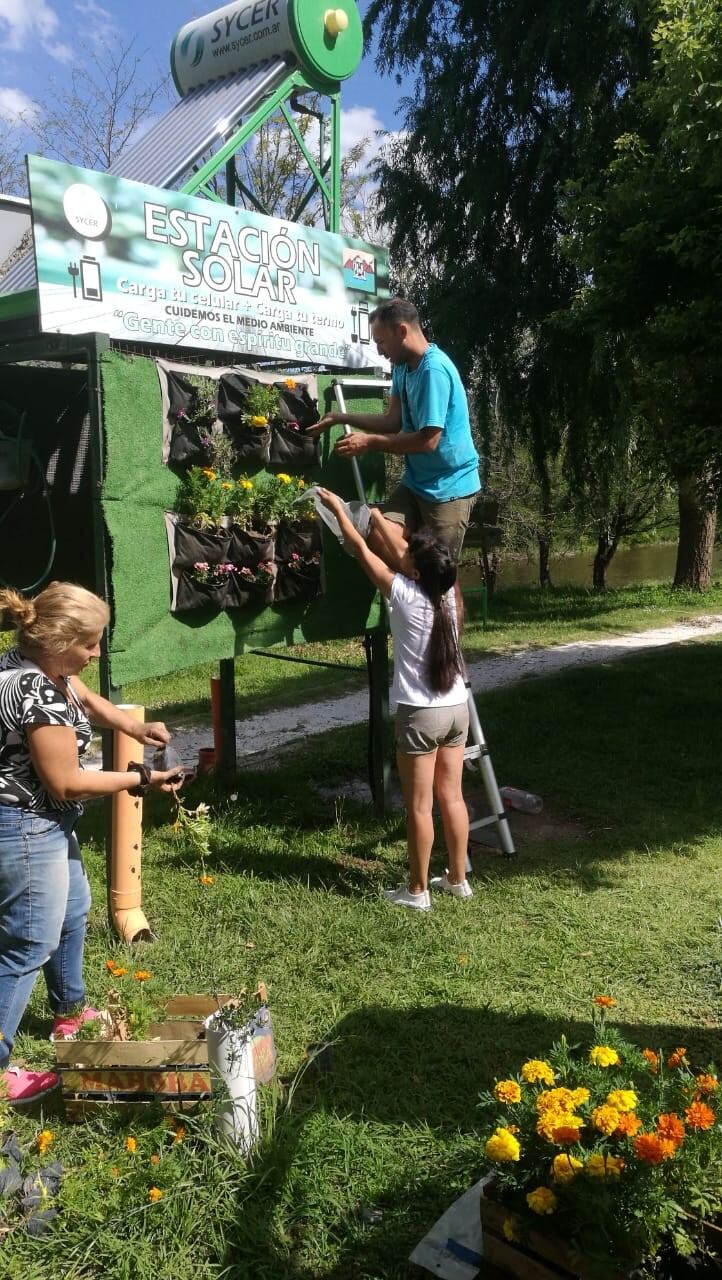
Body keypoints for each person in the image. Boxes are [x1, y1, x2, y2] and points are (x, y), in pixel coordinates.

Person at [0, 582, 182, 1104]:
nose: (97, 652)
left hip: (44, 824)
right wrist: (140, 779)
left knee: (71, 914)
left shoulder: (39, 667)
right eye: (90, 644)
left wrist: (133, 726)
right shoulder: (33, 691)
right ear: (59, 640)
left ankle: (69, 1013)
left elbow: (85, 697)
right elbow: (67, 782)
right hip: (25, 826)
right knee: (27, 944)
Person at [318, 489, 472, 911]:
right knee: (452, 797)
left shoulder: (403, 594)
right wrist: (379, 518)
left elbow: (359, 547)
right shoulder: (452, 598)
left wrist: (338, 508)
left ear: (418, 574)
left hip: (420, 715)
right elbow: (405, 553)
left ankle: (418, 890)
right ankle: (458, 878)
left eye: (410, 559)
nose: (404, 558)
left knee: (420, 808)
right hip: (457, 709)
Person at [312, 297, 481, 566]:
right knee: (377, 533)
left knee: (440, 575)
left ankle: (427, 593)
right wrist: (339, 417)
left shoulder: (433, 370)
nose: (379, 350)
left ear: (401, 331)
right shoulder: (402, 367)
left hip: (449, 487)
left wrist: (369, 443)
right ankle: (411, 589)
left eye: (381, 341)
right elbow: (393, 421)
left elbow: (428, 441)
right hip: (416, 483)